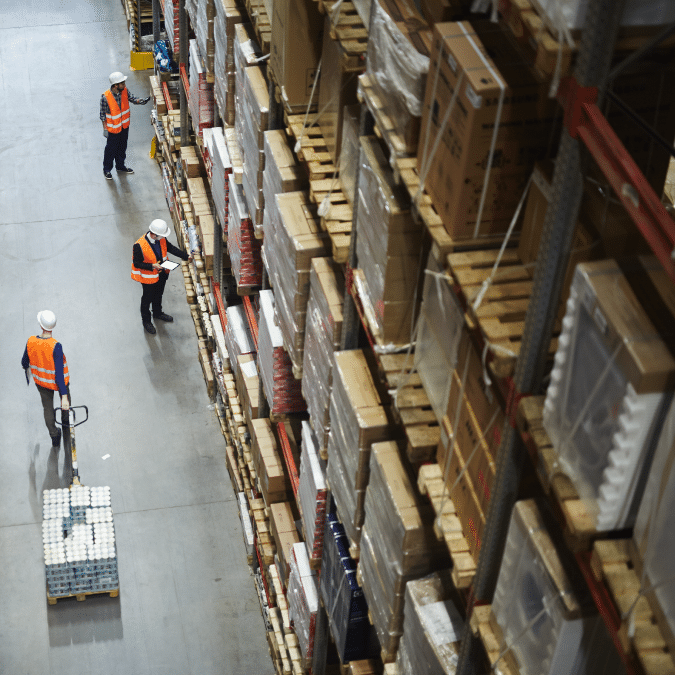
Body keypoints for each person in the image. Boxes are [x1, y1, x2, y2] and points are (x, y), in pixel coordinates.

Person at [22, 311, 71, 449]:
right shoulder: (56, 346)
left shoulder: (31, 341)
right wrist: (64, 396)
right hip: (59, 383)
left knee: (47, 409)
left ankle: (54, 436)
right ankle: (66, 424)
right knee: (65, 404)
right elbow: (59, 375)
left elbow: (24, 362)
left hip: (42, 383)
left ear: (40, 324)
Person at [132, 219, 190, 334]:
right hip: (149, 278)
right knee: (146, 299)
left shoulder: (161, 238)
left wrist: (186, 256)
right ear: (154, 234)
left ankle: (157, 313)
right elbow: (137, 263)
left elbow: (171, 248)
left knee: (159, 294)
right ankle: (146, 321)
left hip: (162, 274)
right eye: (161, 236)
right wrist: (152, 266)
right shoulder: (139, 245)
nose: (163, 238)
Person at [100, 71, 150, 180]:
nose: (124, 85)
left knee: (122, 148)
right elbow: (103, 115)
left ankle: (120, 166)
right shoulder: (105, 98)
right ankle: (107, 170)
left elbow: (132, 98)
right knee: (110, 151)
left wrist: (140, 101)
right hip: (113, 130)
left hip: (124, 127)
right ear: (115, 85)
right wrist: (105, 129)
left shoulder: (124, 91)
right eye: (122, 83)